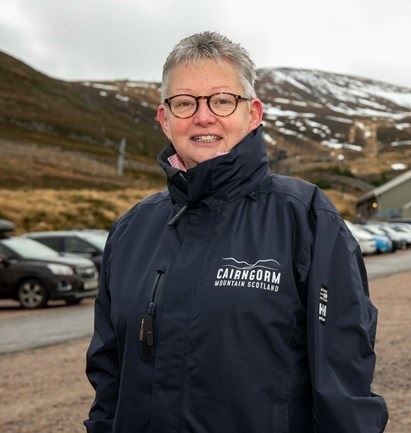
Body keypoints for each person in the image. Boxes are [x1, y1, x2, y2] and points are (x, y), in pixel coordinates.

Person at [84, 32, 388, 433]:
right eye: (185, 102)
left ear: (253, 113)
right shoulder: (131, 229)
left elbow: (344, 383)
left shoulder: (304, 218)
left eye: (223, 100)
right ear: (165, 119)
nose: (203, 116)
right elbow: (108, 378)